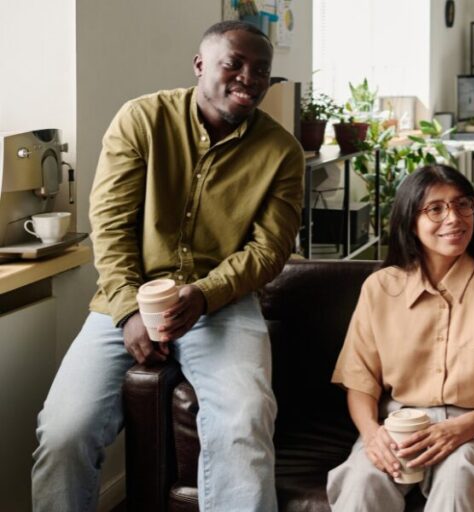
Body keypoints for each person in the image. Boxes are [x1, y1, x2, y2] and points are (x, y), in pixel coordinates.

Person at [32, 21, 304, 511]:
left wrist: (203, 294)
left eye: (261, 70)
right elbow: (110, 226)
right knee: (63, 433)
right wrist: (126, 312)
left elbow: (269, 251)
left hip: (222, 305)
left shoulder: (281, 152)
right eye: (234, 64)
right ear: (200, 66)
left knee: (244, 422)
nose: (249, 78)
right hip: (125, 301)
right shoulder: (141, 120)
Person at [327, 165, 474, 512]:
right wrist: (372, 435)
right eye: (436, 208)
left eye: (463, 204)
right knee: (362, 478)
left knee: (458, 469)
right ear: (410, 220)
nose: (454, 218)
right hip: (404, 428)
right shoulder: (380, 288)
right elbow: (360, 381)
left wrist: (460, 429)